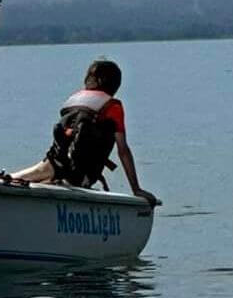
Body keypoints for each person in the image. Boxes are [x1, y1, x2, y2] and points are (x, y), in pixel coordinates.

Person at [9, 58, 160, 206]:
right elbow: (123, 151)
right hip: (80, 172)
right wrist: (136, 189)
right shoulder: (113, 107)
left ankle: (12, 179)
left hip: (54, 162)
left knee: (14, 178)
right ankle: (62, 180)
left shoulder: (73, 99)